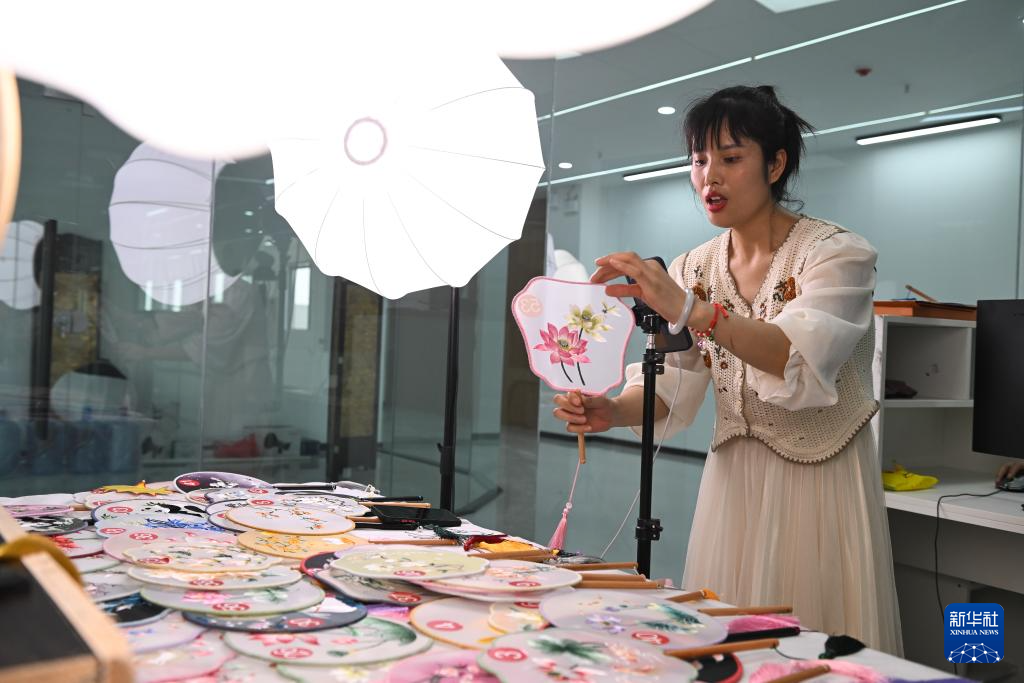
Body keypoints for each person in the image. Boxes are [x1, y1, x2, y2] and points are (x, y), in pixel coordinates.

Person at [553, 85, 903, 655]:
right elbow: (672, 384)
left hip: (820, 481)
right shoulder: (693, 268)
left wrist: (690, 309)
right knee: (730, 644)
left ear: (776, 164)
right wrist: (609, 410)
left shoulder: (836, 254)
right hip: (733, 484)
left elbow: (791, 352)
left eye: (731, 158)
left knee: (813, 643)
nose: (708, 177)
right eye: (698, 160)